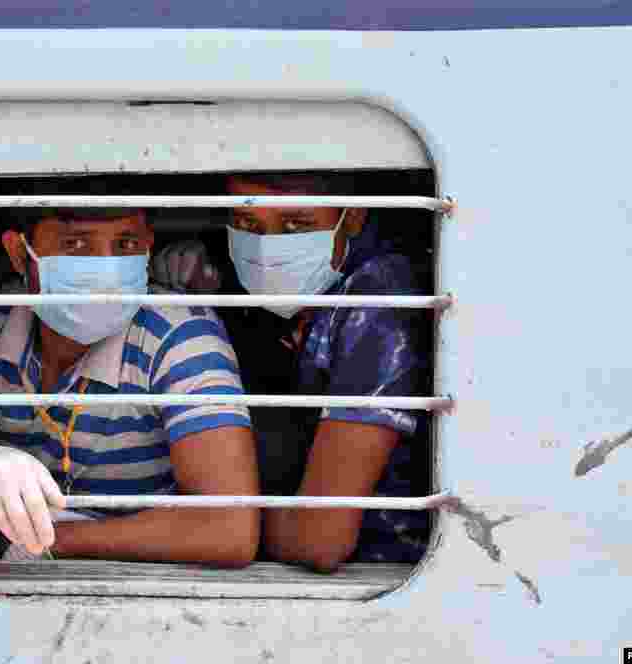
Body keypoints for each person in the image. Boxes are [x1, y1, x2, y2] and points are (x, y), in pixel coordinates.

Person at [0, 204, 260, 566]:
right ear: (19, 253)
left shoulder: (180, 334)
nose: (107, 270)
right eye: (76, 244)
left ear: (148, 246)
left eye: (125, 245)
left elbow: (228, 528)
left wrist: (58, 541)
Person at [156, 172, 432, 571]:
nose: (268, 249)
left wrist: (215, 529)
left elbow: (319, 539)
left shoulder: (378, 303)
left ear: (352, 218)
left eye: (297, 225)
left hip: (375, 574)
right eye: (247, 223)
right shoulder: (282, 296)